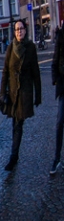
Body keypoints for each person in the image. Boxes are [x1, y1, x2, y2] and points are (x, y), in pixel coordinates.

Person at [0, 19, 42, 171]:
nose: (19, 32)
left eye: (21, 29)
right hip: (12, 92)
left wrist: (38, 95)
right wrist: (2, 92)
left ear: (25, 30)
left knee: (18, 123)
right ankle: (14, 155)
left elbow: (36, 72)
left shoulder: (31, 47)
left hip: (24, 92)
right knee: (15, 124)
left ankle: (13, 157)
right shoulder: (11, 47)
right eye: (17, 29)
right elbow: (5, 71)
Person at [51, 24, 64, 175]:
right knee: (60, 121)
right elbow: (55, 60)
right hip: (63, 86)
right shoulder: (60, 36)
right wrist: (55, 80)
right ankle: (56, 158)